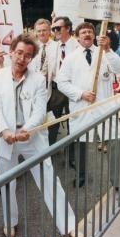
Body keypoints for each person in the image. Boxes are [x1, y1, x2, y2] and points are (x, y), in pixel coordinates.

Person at [0, 34, 78, 237]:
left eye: (27, 55)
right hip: (6, 138)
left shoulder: (38, 79)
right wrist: (5, 131)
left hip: (32, 137)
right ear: (11, 52)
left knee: (48, 180)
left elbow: (39, 111)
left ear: (31, 59)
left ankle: (69, 225)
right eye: (19, 52)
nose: (22, 58)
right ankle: (9, 222)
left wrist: (25, 130)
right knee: (7, 183)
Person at [56, 22, 120, 190]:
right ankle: (81, 176)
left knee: (115, 143)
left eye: (89, 32)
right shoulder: (71, 58)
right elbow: (61, 83)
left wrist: (108, 49)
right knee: (80, 144)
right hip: (82, 107)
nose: (87, 34)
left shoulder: (105, 54)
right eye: (83, 32)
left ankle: (119, 183)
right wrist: (81, 93)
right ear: (77, 37)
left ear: (95, 36)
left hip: (104, 107)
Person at [46, 16, 79, 144]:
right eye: (53, 29)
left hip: (73, 88)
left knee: (74, 121)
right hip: (56, 89)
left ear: (68, 28)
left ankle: (73, 156)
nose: (55, 31)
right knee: (52, 122)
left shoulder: (78, 46)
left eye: (58, 28)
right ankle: (48, 152)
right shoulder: (52, 47)